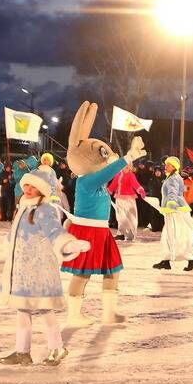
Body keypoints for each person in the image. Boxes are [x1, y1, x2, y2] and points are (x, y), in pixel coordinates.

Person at [60, 101, 146, 327]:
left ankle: (109, 312)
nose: (105, 156)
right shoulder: (87, 180)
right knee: (82, 274)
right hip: (86, 232)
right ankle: (74, 315)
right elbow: (109, 171)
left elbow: (111, 175)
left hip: (101, 231)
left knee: (112, 269)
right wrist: (127, 157)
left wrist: (126, 163)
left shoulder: (96, 184)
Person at [0, 172, 92, 366]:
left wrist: (68, 244)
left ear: (42, 189)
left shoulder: (45, 209)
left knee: (44, 309)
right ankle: (22, 351)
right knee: (22, 309)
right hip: (22, 270)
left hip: (39, 270)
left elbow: (55, 232)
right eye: (26, 186)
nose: (28, 190)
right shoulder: (24, 207)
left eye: (33, 187)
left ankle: (57, 348)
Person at [153, 157, 193, 273]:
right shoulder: (171, 177)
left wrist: (171, 202)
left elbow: (173, 191)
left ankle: (189, 258)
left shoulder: (174, 178)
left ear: (174, 167)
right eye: (166, 164)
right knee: (170, 233)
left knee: (177, 233)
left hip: (175, 209)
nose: (166, 166)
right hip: (172, 209)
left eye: (168, 164)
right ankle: (167, 260)